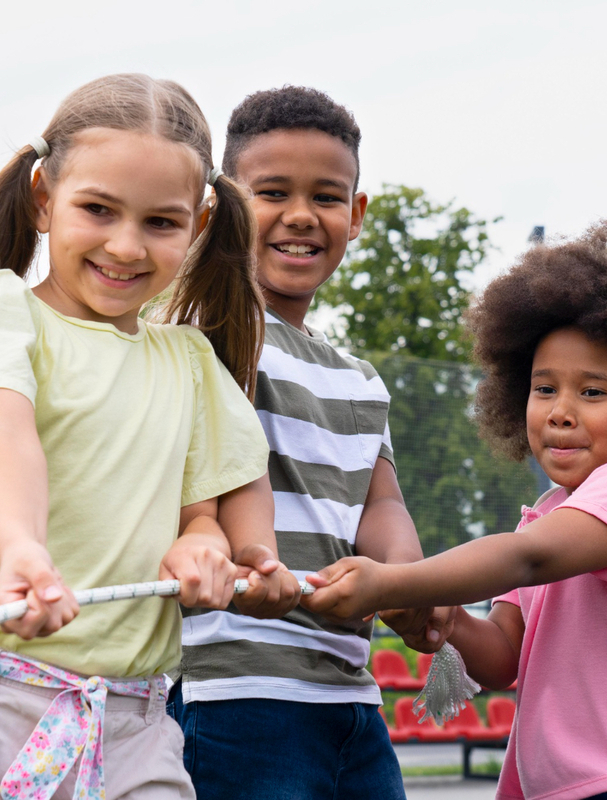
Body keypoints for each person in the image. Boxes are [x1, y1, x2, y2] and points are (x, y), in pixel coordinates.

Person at [0, 74, 284, 800]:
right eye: (97, 209)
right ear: (42, 198)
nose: (126, 246)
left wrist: (220, 548)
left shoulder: (189, 363)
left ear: (199, 221)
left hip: (133, 722)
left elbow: (224, 496)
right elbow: (6, 434)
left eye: (161, 222)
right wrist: (24, 551)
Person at [304, 221, 607, 800]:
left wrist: (392, 579)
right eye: (544, 389)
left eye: (592, 392)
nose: (560, 412)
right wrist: (442, 618)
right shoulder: (547, 512)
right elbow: (502, 658)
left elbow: (528, 559)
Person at [168, 86, 426, 800]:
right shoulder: (199, 330)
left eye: (328, 197)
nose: (302, 216)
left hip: (348, 697)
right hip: (233, 691)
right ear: (219, 208)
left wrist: (407, 582)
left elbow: (381, 506)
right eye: (272, 193)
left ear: (357, 214)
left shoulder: (360, 378)